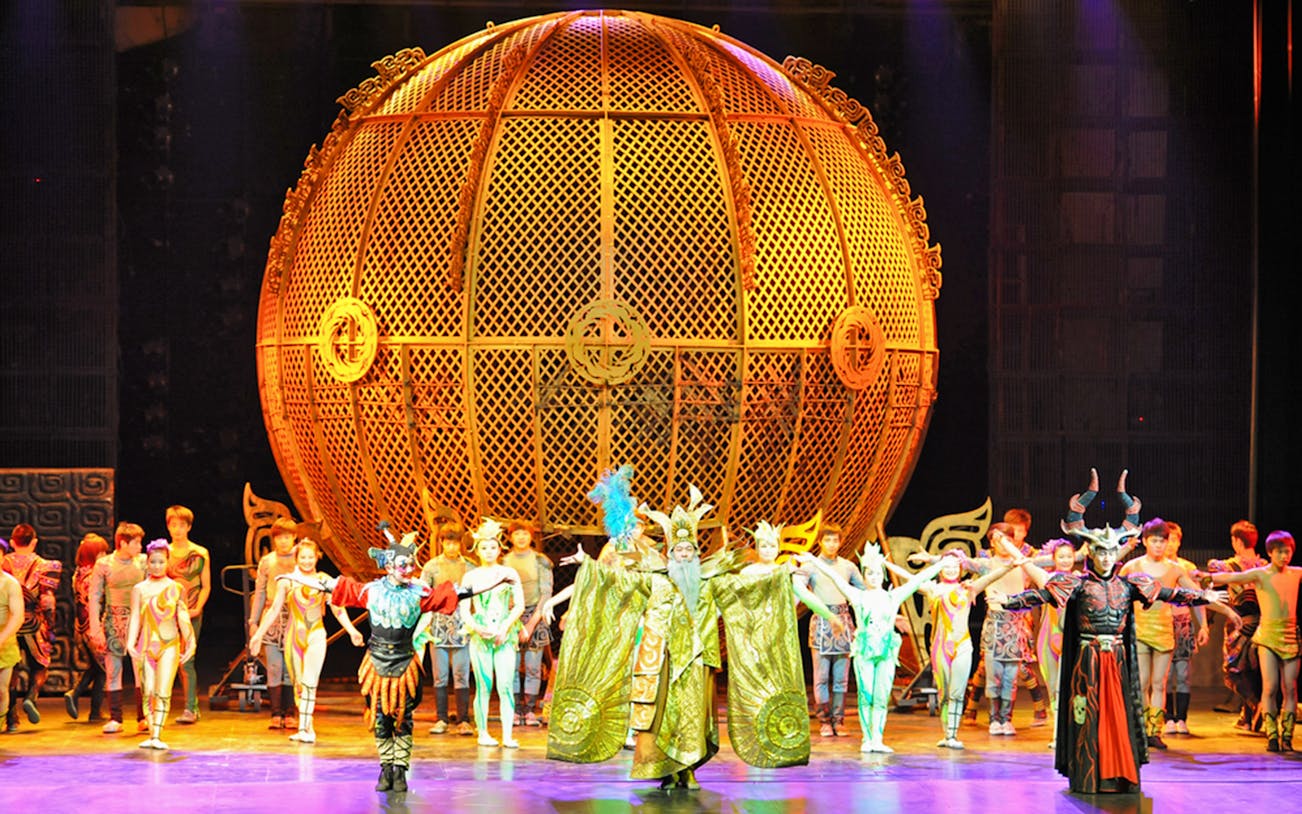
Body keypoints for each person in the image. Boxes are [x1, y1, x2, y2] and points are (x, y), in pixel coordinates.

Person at [547, 487, 811, 790]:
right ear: (670, 554)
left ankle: (688, 771)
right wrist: (589, 565)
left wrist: (780, 573)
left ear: (696, 554)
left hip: (699, 659)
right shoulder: (656, 579)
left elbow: (745, 586)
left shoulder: (711, 581)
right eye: (678, 552)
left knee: (695, 717)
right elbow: (619, 580)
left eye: (688, 551)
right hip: (663, 658)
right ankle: (667, 771)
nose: (683, 556)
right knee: (662, 716)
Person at [277, 527, 515, 792]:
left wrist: (499, 580)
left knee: (403, 719)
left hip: (405, 664)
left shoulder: (419, 593)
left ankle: (400, 769)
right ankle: (386, 767)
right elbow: (329, 585)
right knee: (381, 718)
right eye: (403, 564)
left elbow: (464, 591)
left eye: (411, 564)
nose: (408, 568)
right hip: (376, 664)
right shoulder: (371, 591)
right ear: (389, 565)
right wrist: (293, 577)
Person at [993, 523, 1224, 794]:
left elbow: (1169, 594)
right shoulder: (1077, 583)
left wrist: (1202, 596)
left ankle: (1119, 772)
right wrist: (1009, 600)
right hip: (1087, 660)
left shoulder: (1129, 585)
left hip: (1117, 659)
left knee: (1118, 715)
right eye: (1100, 552)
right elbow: (1041, 595)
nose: (1105, 557)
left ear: (1117, 554)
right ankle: (1088, 775)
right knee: (1088, 715)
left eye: (1110, 552)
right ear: (1091, 552)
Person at [798, 544, 952, 752]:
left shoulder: (893, 596)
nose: (874, 576)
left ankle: (877, 739)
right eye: (869, 573)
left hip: (886, 654)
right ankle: (867, 738)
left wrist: (942, 564)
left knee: (880, 696)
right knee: (867, 694)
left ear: (883, 575)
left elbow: (917, 581)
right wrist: (814, 561)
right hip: (865, 653)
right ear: (864, 575)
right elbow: (834, 577)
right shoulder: (857, 595)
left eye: (878, 573)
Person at [250, 537, 363, 742]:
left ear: (317, 558)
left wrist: (352, 630)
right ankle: (305, 726)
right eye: (303, 557)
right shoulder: (286, 581)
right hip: (293, 636)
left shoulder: (324, 580)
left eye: (311, 557)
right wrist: (258, 635)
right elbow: (274, 610)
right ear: (296, 558)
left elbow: (337, 608)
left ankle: (306, 728)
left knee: (310, 681)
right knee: (299, 684)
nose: (307, 561)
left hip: (316, 635)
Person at [914, 545, 1026, 749]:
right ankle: (945, 733)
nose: (951, 569)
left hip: (963, 645)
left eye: (955, 565)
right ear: (940, 568)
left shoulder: (969, 588)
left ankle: (953, 735)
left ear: (962, 568)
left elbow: (991, 577)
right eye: (946, 566)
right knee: (943, 693)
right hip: (939, 646)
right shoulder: (933, 588)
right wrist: (885, 564)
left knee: (957, 692)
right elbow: (910, 581)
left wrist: (1010, 566)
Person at [1118, 518, 1212, 749]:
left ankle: (1154, 731)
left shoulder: (1175, 569)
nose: (1159, 545)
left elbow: (1196, 595)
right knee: (1141, 682)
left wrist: (1204, 625)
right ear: (1146, 541)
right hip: (1139, 630)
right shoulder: (1133, 567)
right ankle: (1138, 728)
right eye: (1154, 540)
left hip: (1164, 632)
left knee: (1159, 683)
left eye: (1162, 541)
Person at [1209, 530, 1301, 752]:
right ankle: (1272, 736)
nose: (1284, 556)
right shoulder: (1261, 574)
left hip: (1290, 635)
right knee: (1269, 687)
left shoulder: (1296, 573)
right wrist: (1204, 577)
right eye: (1280, 552)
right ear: (1270, 553)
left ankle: (1286, 737)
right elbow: (1232, 578)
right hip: (1267, 635)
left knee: (1290, 688)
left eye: (1287, 552)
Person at [461, 519, 525, 748]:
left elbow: (519, 605)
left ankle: (507, 735)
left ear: (499, 549)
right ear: (477, 550)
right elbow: (463, 611)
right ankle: (483, 733)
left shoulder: (509, 573)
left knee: (506, 684)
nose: (488, 552)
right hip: (480, 636)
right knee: (483, 685)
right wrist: (477, 628)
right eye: (484, 548)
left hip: (504, 635)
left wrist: (506, 627)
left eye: (493, 547)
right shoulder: (470, 577)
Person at [126, 540, 197, 750]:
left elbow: (182, 617)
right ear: (147, 563)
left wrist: (190, 643)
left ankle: (157, 733)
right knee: (148, 690)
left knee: (163, 690)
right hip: (146, 645)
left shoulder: (175, 588)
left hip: (169, 645)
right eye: (153, 562)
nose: (157, 565)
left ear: (167, 562)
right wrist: (130, 643)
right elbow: (135, 618)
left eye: (161, 561)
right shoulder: (139, 589)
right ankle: (151, 732)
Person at [795, 524, 864, 737]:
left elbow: (862, 594)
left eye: (835, 540)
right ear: (820, 542)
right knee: (821, 677)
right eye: (827, 540)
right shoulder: (809, 566)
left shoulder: (848, 567)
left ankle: (839, 720)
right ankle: (824, 721)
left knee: (841, 678)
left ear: (840, 542)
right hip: (822, 623)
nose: (832, 544)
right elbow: (798, 592)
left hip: (843, 623)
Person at [89, 522, 148, 734]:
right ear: (123, 543)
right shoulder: (104, 564)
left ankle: (144, 716)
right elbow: (94, 597)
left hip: (139, 620)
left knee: (141, 669)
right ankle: (116, 718)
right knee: (114, 669)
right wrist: (95, 628)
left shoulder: (143, 562)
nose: (140, 547)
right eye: (136, 543)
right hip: (113, 620)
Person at [3, 523, 62, 731]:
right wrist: (51, 624)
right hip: (33, 624)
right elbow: (47, 600)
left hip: (8, 623)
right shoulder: (46, 565)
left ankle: (11, 719)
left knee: (11, 670)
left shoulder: (4, 564)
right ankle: (31, 696)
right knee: (40, 666)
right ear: (34, 542)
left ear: (12, 543)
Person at [1207, 519, 1265, 730]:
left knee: (1234, 669)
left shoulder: (1228, 566)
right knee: (1255, 669)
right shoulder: (1265, 565)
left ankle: (1256, 706)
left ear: (1237, 541)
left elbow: (1213, 585)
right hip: (1264, 622)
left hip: (1239, 623)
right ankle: (1247, 718)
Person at [419, 524, 476, 736]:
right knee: (440, 675)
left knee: (461, 674)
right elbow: (423, 597)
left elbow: (475, 597)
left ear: (461, 542)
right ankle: (441, 718)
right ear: (442, 542)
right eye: (447, 542)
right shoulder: (431, 567)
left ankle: (463, 719)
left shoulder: (470, 567)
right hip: (438, 624)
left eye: (455, 542)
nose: (451, 546)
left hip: (462, 624)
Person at [502, 519, 553, 726]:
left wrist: (532, 623)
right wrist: (512, 619)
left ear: (531, 536)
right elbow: (502, 593)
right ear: (511, 537)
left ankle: (530, 710)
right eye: (517, 534)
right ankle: (515, 710)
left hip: (534, 615)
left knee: (533, 666)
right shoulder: (504, 561)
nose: (521, 537)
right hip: (511, 616)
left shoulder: (540, 560)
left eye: (525, 533)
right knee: (511, 666)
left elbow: (546, 592)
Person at [249, 517, 299, 729]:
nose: (283, 541)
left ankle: (290, 712)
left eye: (287, 537)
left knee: (291, 667)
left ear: (294, 537)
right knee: (274, 665)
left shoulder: (301, 558)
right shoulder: (267, 561)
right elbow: (259, 592)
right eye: (279, 537)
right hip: (271, 618)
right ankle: (276, 712)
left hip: (295, 617)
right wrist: (254, 621)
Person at [165, 505, 211, 725]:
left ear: (189, 526)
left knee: (186, 661)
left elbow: (205, 586)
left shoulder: (199, 553)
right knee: (166, 660)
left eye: (181, 525)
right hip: (166, 614)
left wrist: (198, 607)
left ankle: (190, 708)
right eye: (173, 525)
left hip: (190, 611)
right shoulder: (162, 553)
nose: (177, 529)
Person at [65, 532, 110, 721]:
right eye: (101, 553)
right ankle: (77, 693)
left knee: (98, 668)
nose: (105, 555)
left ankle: (94, 711)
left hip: (80, 626)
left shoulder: (78, 573)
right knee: (103, 669)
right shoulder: (94, 575)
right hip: (94, 626)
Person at [1161, 522, 1199, 735]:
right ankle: (1167, 718)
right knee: (1164, 673)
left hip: (1183, 623)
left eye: (1174, 539)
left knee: (1183, 673)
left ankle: (1181, 718)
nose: (1170, 544)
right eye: (1167, 539)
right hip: (1162, 622)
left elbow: (1198, 597)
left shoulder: (1187, 567)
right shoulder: (1158, 568)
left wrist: (1203, 626)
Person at [0, 566, 23, 733]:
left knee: (1, 690)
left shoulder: (10, 583)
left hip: (4, 642)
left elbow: (17, 616)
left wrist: (2, 639)